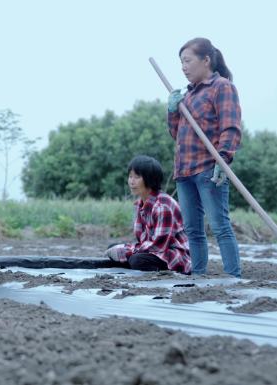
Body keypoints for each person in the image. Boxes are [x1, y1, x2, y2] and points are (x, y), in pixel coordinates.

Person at [166, 37, 242, 277]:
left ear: (206, 60)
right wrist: (172, 111)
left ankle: (233, 278)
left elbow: (230, 127)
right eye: (181, 63)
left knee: (220, 226)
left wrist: (224, 158)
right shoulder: (186, 97)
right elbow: (176, 134)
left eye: (187, 61)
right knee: (192, 230)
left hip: (209, 168)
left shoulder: (222, 87)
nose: (184, 67)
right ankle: (198, 276)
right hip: (184, 171)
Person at [104, 155, 191, 274]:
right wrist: (124, 250)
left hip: (173, 255)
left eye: (137, 177)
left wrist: (126, 251)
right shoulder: (141, 204)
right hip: (155, 252)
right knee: (113, 247)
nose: (131, 181)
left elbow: (158, 245)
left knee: (136, 260)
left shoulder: (162, 206)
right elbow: (143, 241)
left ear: (150, 179)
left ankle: (161, 272)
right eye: (130, 176)